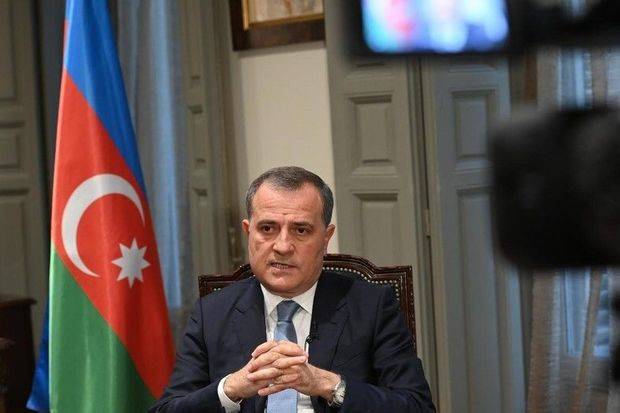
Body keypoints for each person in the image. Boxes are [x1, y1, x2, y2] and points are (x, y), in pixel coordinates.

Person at [151, 166, 435, 412]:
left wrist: (329, 385)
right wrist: (232, 388)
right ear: (248, 232)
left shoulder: (371, 306)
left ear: (326, 238)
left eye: (301, 230)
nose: (283, 246)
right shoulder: (212, 313)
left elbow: (416, 406)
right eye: (267, 229)